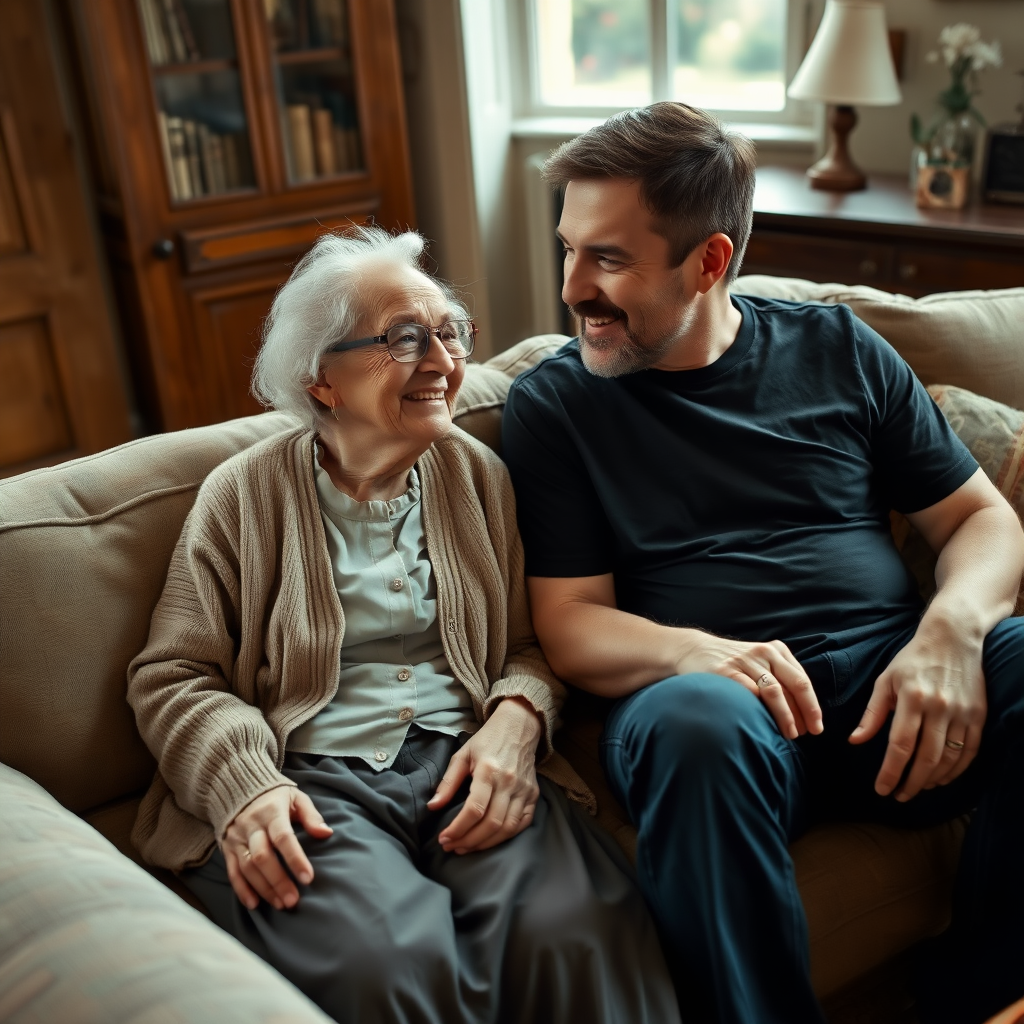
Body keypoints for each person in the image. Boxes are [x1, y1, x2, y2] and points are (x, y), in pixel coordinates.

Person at [501, 101, 1024, 1024]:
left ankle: (977, 996)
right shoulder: (559, 406)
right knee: (695, 724)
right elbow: (571, 617)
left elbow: (980, 518)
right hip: (717, 710)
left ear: (709, 261)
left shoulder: (840, 352)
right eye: (569, 248)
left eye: (609, 257)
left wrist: (952, 629)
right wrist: (691, 654)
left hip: (888, 692)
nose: (574, 286)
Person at [127, 226, 679, 1024]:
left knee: (578, 931)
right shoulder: (242, 496)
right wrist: (242, 784)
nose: (444, 362)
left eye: (450, 333)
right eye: (405, 338)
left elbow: (530, 644)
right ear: (321, 380)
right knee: (388, 964)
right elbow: (173, 673)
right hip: (314, 778)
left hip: (466, 761)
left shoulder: (477, 477)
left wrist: (516, 723)